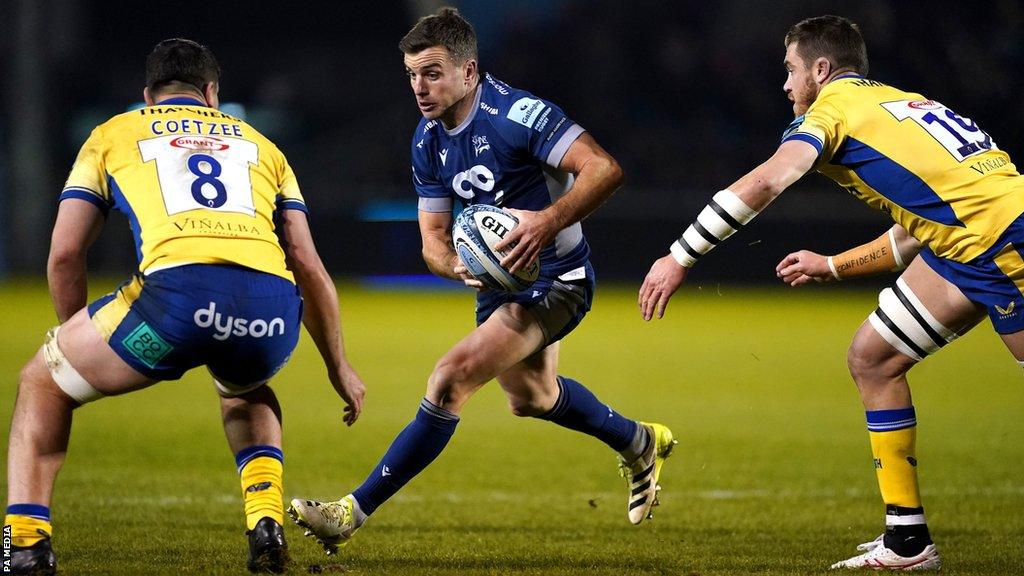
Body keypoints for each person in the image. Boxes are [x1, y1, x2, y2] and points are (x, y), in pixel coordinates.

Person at [639, 14, 1024, 571]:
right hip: (969, 243)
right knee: (874, 358)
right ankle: (907, 544)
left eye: (792, 70)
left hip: (1006, 245)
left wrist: (680, 255)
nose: (787, 84)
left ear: (822, 70)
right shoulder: (896, 103)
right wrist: (833, 266)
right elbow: (916, 230)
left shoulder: (834, 110)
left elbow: (769, 180)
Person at [288, 7, 675, 554]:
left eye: (432, 72)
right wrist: (457, 266)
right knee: (533, 398)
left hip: (558, 279)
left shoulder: (519, 114)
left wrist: (544, 224)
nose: (419, 87)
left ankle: (350, 512)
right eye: (412, 75)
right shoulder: (426, 139)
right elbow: (433, 240)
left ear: (469, 72)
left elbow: (605, 169)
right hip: (500, 287)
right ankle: (639, 441)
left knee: (450, 378)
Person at [4, 38, 366, 575]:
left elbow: (63, 254)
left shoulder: (112, 133)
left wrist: (75, 336)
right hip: (269, 314)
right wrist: (339, 367)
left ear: (148, 97)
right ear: (212, 94)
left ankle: (25, 549)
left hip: (176, 304)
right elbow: (309, 266)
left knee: (42, 383)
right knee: (244, 388)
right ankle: (265, 526)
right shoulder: (263, 145)